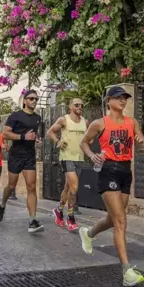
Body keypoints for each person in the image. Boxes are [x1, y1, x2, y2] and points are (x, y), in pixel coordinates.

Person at [78, 86, 144, 287]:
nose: (122, 101)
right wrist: (92, 155)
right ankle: (127, 272)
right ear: (108, 101)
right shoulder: (100, 123)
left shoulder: (131, 122)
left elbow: (141, 142)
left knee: (112, 218)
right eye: (118, 98)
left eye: (125, 98)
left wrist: (142, 142)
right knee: (120, 220)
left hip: (126, 170)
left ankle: (88, 233)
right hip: (108, 169)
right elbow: (84, 143)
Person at [0, 90, 44, 233]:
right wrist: (24, 137)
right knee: (11, 186)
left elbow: (34, 135)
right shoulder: (15, 115)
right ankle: (3, 204)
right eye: (31, 98)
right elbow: (5, 133)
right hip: (15, 155)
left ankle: (32, 221)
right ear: (24, 100)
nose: (34, 101)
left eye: (36, 99)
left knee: (31, 186)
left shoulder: (37, 118)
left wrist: (37, 140)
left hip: (29, 156)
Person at [47, 97, 87, 232]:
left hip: (80, 158)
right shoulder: (63, 120)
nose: (79, 107)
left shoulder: (85, 122)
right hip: (66, 158)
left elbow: (89, 138)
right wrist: (57, 142)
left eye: (82, 105)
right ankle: (70, 217)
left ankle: (59, 210)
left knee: (68, 188)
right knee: (74, 187)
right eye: (76, 105)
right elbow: (50, 132)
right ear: (70, 106)